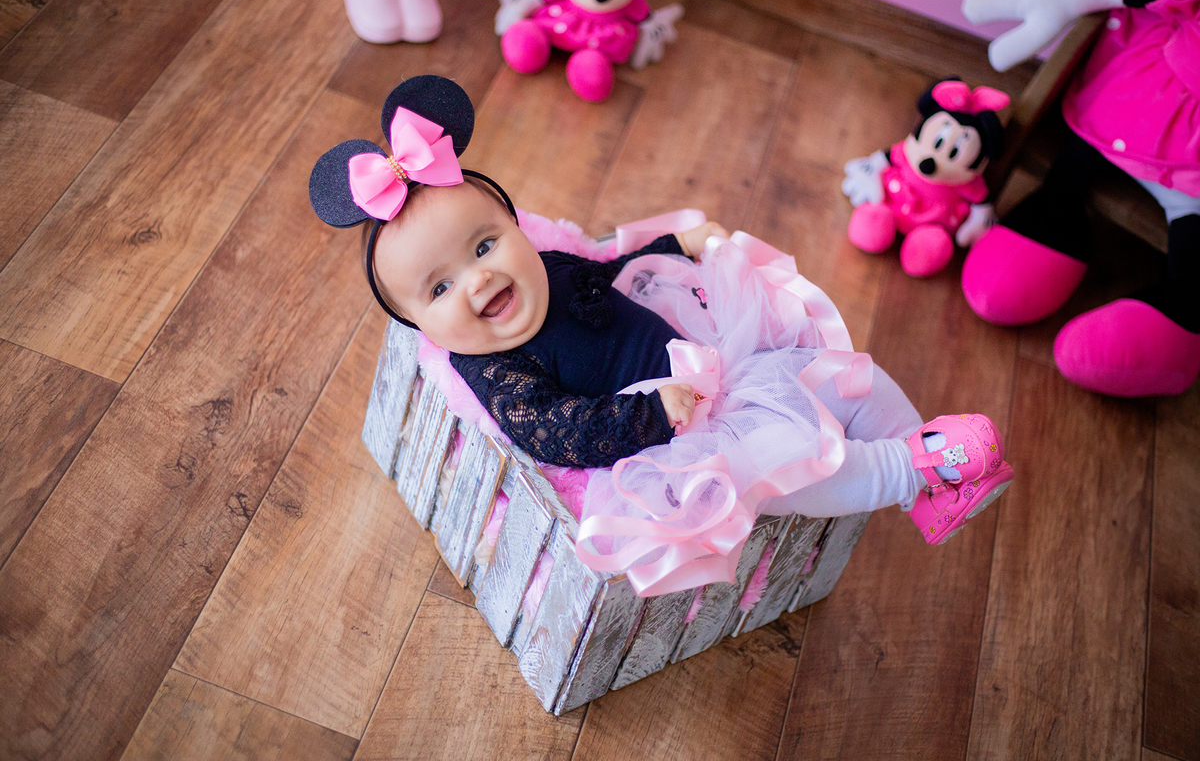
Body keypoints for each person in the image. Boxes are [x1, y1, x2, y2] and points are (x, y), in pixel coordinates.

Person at [309, 75, 1015, 594]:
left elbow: (611, 273)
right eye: (438, 289)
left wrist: (676, 247)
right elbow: (556, 432)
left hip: (718, 356)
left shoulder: (546, 265)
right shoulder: (493, 369)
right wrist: (650, 413)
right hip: (678, 438)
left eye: (486, 245)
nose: (475, 280)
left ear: (514, 229)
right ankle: (909, 470)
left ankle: (929, 478)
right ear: (421, 325)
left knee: (847, 376)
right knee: (794, 464)